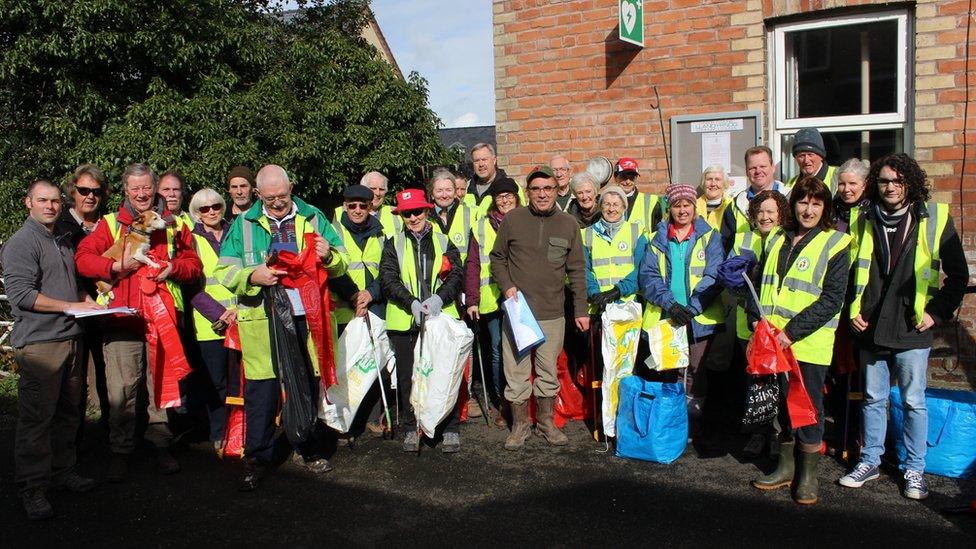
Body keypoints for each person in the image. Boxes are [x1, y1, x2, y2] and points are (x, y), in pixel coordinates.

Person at [840, 154, 968, 500]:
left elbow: (959, 277)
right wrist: (853, 309)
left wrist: (936, 313)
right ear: (875, 185)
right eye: (884, 181)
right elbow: (850, 271)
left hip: (912, 325)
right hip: (869, 324)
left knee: (913, 401)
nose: (891, 187)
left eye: (897, 180)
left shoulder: (935, 218)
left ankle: (915, 468)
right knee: (873, 399)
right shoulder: (862, 218)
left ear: (910, 182)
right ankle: (870, 461)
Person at [215, 164, 347, 491]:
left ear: (291, 187)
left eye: (283, 196)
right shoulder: (244, 224)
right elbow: (224, 271)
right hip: (262, 318)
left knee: (306, 384)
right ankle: (257, 458)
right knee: (263, 390)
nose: (277, 203)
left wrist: (329, 256)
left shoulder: (314, 216)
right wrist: (251, 277)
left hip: (308, 317)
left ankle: (307, 447)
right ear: (258, 195)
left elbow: (342, 262)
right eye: (270, 197)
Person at [75, 163, 203, 482]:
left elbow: (194, 265)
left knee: (160, 386)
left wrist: (173, 268)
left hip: (162, 319)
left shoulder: (174, 225)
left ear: (155, 188)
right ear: (126, 191)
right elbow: (82, 259)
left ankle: (160, 444)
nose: (142, 194)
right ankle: (121, 450)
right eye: (135, 189)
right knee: (121, 389)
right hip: (121, 319)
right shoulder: (109, 224)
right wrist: (115, 266)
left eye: (147, 187)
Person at [747, 176, 851, 505]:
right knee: (780, 406)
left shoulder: (836, 243)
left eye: (816, 204)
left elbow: (832, 298)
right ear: (792, 205)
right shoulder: (777, 237)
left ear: (825, 208)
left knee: (807, 410)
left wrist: (790, 332)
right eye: (803, 202)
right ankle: (786, 467)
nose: (808, 210)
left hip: (806, 343)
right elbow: (761, 280)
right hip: (773, 341)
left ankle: (808, 476)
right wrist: (754, 316)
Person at [2, 179, 101, 520]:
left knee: (68, 412)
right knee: (37, 418)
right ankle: (32, 486)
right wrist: (68, 306)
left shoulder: (63, 238)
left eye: (55, 201)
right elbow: (22, 296)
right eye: (42, 200)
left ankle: (62, 472)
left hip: (70, 336)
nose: (50, 206)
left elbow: (73, 285)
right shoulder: (21, 243)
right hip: (41, 343)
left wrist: (87, 300)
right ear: (28, 202)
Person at [490, 166, 589, 450]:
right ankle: (520, 425)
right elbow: (498, 258)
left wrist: (580, 310)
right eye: (536, 189)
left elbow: (578, 270)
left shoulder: (569, 224)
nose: (542, 194)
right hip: (518, 312)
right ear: (528, 192)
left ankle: (545, 422)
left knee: (547, 371)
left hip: (553, 313)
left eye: (548, 188)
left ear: (557, 190)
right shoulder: (513, 220)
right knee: (516, 372)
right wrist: (507, 286)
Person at [379, 188, 464, 452]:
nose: (413, 218)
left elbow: (456, 273)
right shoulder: (393, 243)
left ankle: (448, 428)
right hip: (406, 321)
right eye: (407, 214)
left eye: (417, 211)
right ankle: (411, 426)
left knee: (444, 374)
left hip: (440, 319)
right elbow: (388, 278)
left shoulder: (443, 240)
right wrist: (411, 303)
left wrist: (439, 299)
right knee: (408, 378)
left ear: (427, 211)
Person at [639, 184, 724, 435]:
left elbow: (715, 275)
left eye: (687, 204)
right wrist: (672, 305)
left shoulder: (710, 236)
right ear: (670, 209)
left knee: (694, 374)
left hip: (700, 319)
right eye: (677, 205)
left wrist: (693, 306)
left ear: (694, 208)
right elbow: (649, 276)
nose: (682, 209)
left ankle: (693, 425)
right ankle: (672, 424)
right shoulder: (658, 239)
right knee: (669, 372)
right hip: (667, 317)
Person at [729, 190, 792, 459]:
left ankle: (778, 435)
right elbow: (732, 277)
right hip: (750, 327)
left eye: (770, 212)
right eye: (760, 212)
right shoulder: (744, 238)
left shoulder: (786, 240)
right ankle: (758, 433)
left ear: (781, 215)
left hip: (777, 327)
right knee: (755, 384)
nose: (765, 217)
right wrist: (748, 305)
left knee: (778, 385)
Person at [56, 164, 111, 436]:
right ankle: (73, 444)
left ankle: (110, 436)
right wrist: (82, 296)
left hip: (108, 312)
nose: (90, 196)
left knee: (109, 378)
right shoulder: (59, 226)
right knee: (74, 382)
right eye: (83, 190)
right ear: (73, 192)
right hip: (74, 312)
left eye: (96, 191)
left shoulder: (111, 224)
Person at [464, 179, 520, 427]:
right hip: (491, 298)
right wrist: (473, 299)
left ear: (517, 199)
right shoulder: (482, 226)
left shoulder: (526, 221)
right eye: (500, 197)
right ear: (494, 201)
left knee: (522, 348)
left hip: (520, 298)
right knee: (497, 350)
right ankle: (503, 403)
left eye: (510, 196)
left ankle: (521, 401)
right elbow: (473, 264)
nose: (505, 200)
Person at [185, 188, 236, 453]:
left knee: (242, 380)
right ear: (196, 212)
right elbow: (191, 287)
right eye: (204, 209)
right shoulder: (191, 240)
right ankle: (219, 432)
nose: (211, 211)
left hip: (242, 319)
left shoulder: (236, 232)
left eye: (215, 206)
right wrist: (220, 314)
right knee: (216, 382)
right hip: (210, 325)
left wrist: (237, 310)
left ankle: (241, 430)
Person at [583, 184, 648, 335]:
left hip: (629, 306)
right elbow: (583, 270)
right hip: (598, 308)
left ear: (624, 207)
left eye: (616, 204)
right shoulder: (586, 234)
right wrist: (594, 293)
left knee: (628, 357)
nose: (611, 209)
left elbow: (641, 269)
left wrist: (617, 292)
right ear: (600, 207)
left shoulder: (636, 232)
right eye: (607, 204)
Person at [329, 184, 387, 329]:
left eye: (363, 206)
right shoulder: (333, 231)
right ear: (345, 206)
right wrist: (355, 297)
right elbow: (330, 270)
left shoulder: (381, 233)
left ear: (370, 207)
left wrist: (370, 293)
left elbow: (388, 270)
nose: (357, 210)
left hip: (377, 311)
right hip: (344, 314)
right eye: (352, 206)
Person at [720, 146, 791, 253]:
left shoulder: (791, 198)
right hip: (746, 268)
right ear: (747, 172)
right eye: (752, 168)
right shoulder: (735, 206)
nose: (758, 171)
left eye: (763, 166)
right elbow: (725, 246)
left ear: (773, 167)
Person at [428, 168, 475, 263]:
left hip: (462, 274)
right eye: (439, 191)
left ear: (454, 193)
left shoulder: (471, 214)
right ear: (432, 194)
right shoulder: (423, 217)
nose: (444, 195)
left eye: (449, 190)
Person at [464, 143, 521, 216]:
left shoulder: (511, 186)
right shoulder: (466, 188)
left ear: (494, 160)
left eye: (484, 159)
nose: (481, 164)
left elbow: (520, 215)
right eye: (477, 161)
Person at [613, 157, 664, 234]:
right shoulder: (607, 202)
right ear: (616, 178)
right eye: (624, 177)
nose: (627, 181)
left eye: (632, 178)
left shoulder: (651, 203)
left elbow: (657, 235)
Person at [787, 128, 837, 193]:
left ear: (821, 156)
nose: (806, 160)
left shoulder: (838, 176)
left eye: (810, 155)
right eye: (801, 156)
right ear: (796, 158)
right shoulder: (790, 184)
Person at [833, 158, 870, 234]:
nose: (846, 189)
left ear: (864, 185)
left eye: (852, 183)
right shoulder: (831, 210)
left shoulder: (872, 211)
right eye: (842, 184)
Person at [696, 165, 732, 230]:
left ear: (724, 183)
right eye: (709, 179)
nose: (713, 184)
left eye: (717, 179)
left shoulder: (731, 205)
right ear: (703, 183)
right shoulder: (694, 206)